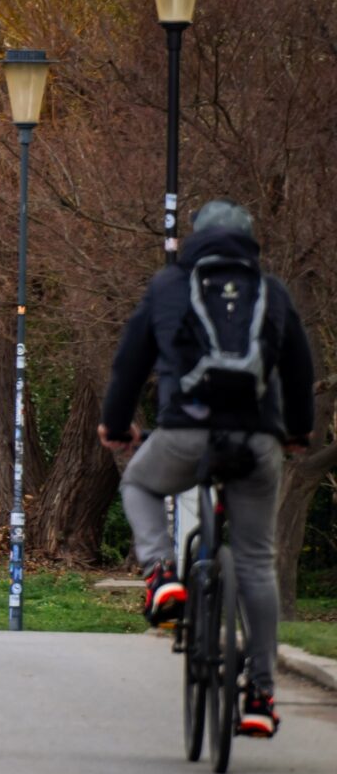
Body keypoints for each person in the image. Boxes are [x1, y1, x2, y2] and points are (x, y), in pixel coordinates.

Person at [98, 200, 314, 738]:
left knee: (139, 483)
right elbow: (298, 365)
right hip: (256, 439)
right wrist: (296, 431)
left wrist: (116, 423)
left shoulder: (169, 287)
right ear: (249, 242)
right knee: (257, 562)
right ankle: (261, 695)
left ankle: (161, 574)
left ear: (195, 238)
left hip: (185, 433)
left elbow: (130, 361)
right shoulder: (272, 291)